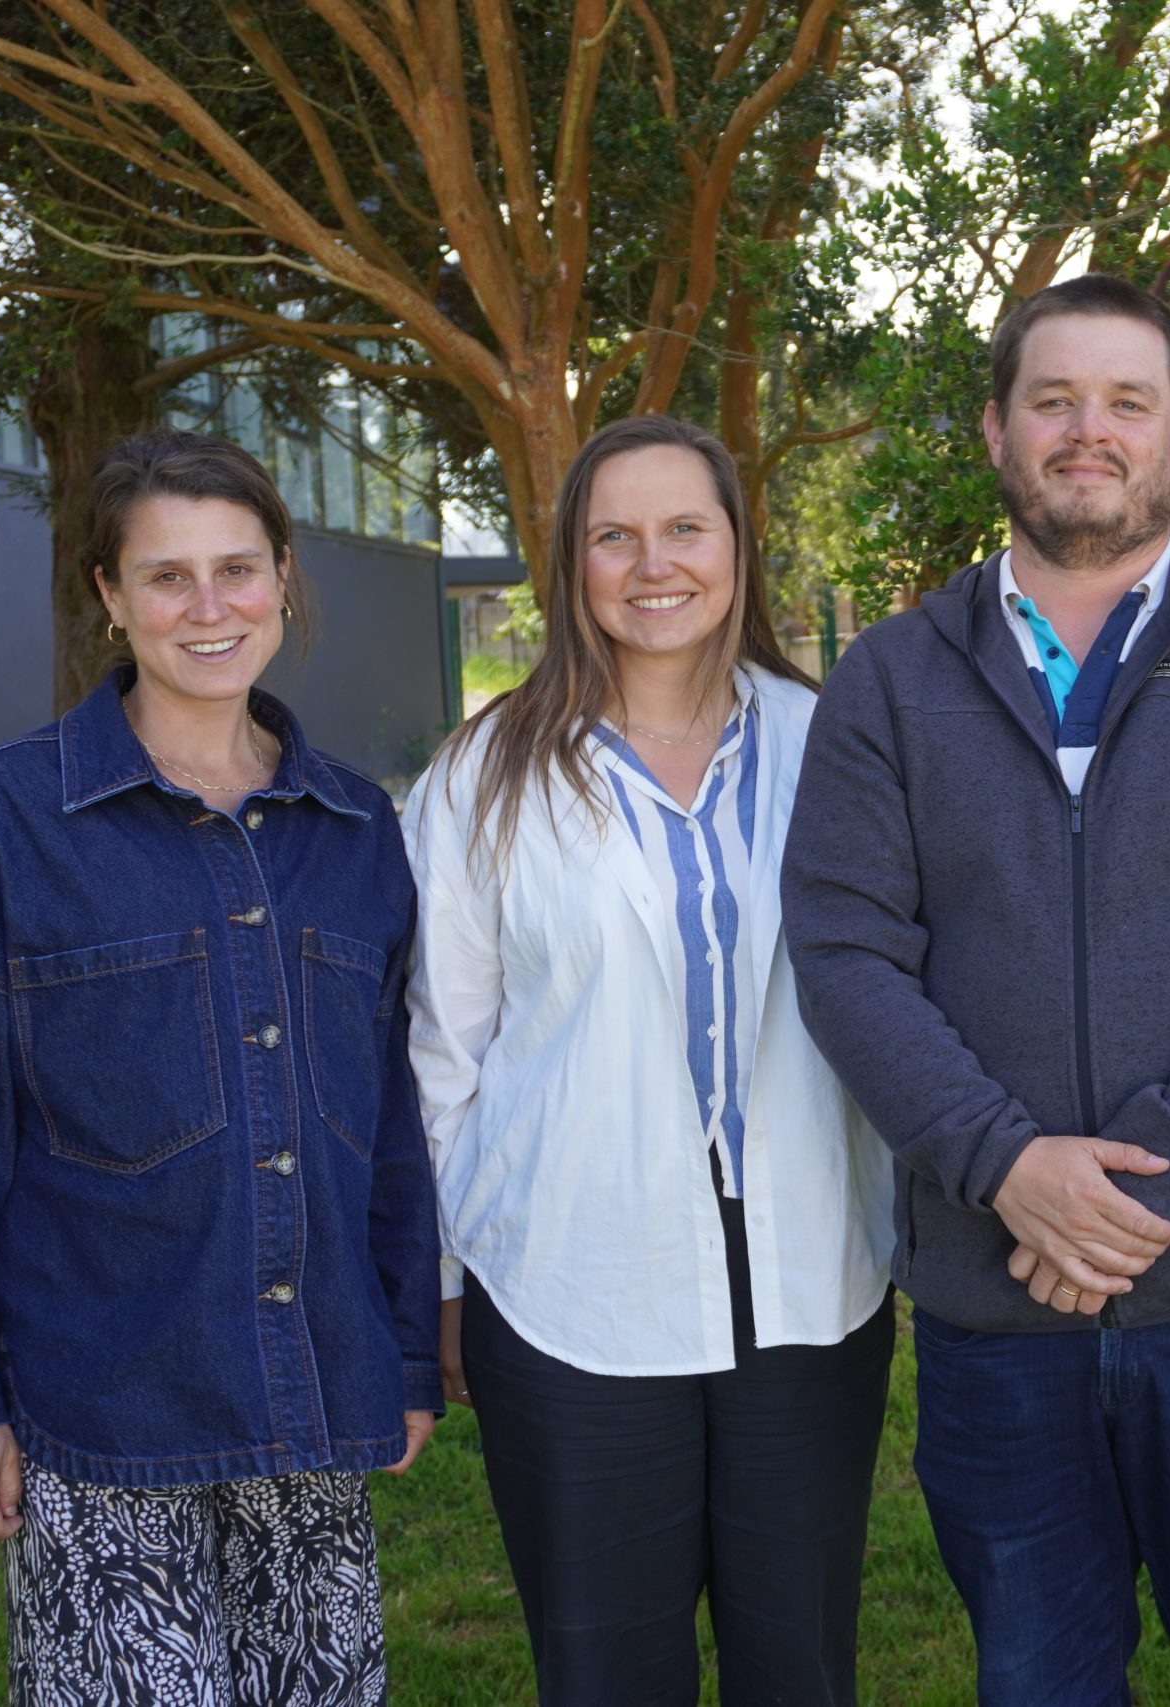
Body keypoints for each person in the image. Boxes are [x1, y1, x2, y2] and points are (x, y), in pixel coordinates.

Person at [780, 272, 1170, 1706]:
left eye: (1127, 401)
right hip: (997, 1310)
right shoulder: (892, 677)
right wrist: (1006, 1166)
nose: (1087, 430)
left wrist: (1131, 1197)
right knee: (1037, 1680)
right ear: (997, 430)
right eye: (1053, 399)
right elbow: (847, 951)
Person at [0, 430, 441, 1705]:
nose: (208, 607)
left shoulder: (354, 829)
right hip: (100, 1416)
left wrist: (399, 1357)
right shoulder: (5, 819)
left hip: (307, 1409)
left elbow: (386, 1121)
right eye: (167, 576)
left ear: (283, 578)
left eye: (237, 569)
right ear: (110, 596)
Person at [403, 414, 895, 1707]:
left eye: (685, 527)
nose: (653, 562)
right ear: (570, 562)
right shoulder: (482, 775)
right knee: (606, 1671)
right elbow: (440, 1052)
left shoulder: (836, 744)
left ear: (738, 546)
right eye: (614, 535)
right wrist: (442, 1278)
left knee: (799, 1667)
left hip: (808, 1279)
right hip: (567, 1281)